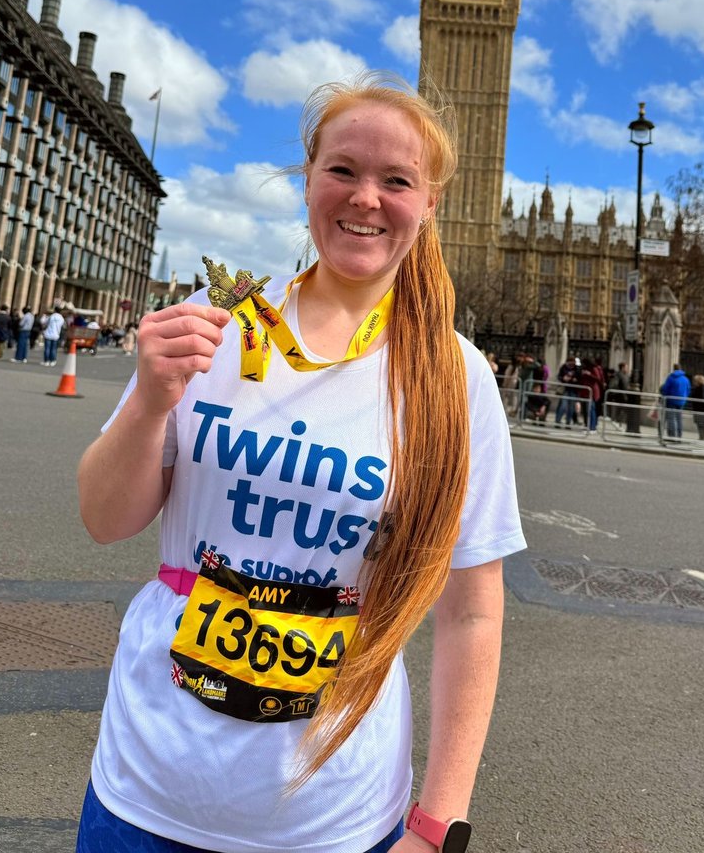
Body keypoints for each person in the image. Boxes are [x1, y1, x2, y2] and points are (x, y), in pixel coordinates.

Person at [75, 73, 526, 853]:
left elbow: (472, 611)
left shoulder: (455, 380)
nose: (365, 198)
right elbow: (104, 519)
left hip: (334, 817)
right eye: (343, 169)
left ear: (430, 204)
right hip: (146, 792)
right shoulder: (216, 327)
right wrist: (151, 398)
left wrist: (439, 822)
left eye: (397, 180)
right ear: (308, 177)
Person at [660, 363, 691, 442]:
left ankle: (672, 436)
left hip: (671, 400)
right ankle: (679, 436)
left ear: (673, 369)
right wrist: (684, 398)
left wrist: (664, 395)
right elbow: (688, 390)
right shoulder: (685, 379)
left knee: (671, 419)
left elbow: (665, 388)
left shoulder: (671, 377)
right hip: (681, 401)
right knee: (679, 418)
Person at [554, 355, 580, 426]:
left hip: (573, 390)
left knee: (571, 407)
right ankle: (557, 421)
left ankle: (568, 422)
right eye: (570, 362)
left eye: (573, 362)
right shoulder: (564, 367)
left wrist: (574, 379)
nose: (571, 363)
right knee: (563, 406)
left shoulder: (577, 369)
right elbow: (559, 376)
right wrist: (563, 378)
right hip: (565, 389)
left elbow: (579, 378)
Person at [690, 374, 704, 441]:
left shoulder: (702, 388)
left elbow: (703, 398)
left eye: (695, 381)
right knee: (700, 424)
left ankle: (701, 437)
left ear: (699, 381)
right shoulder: (699, 388)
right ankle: (701, 437)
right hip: (699, 408)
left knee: (701, 424)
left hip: (701, 409)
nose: (694, 382)